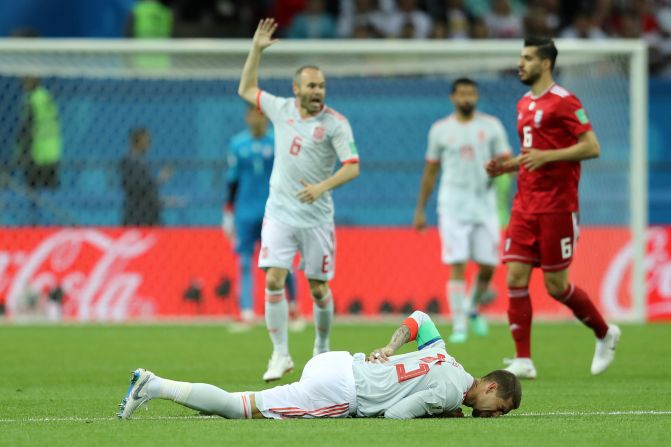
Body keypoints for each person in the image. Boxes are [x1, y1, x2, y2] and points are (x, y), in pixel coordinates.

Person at [485, 37, 621, 379]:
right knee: (515, 276)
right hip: (524, 205)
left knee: (556, 286)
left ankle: (605, 333)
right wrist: (509, 165)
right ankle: (523, 360)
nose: (521, 63)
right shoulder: (523, 104)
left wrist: (549, 156)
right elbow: (533, 154)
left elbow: (592, 147)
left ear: (545, 63)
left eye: (528, 58)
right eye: (520, 57)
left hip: (557, 207)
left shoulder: (565, 101)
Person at [237, 18, 360, 382]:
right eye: (311, 85)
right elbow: (246, 88)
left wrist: (321, 187)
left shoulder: (336, 123)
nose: (318, 90)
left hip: (317, 217)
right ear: (297, 88)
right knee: (274, 279)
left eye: (322, 85)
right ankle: (280, 355)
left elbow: (353, 167)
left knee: (318, 287)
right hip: (279, 212)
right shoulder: (281, 108)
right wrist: (256, 50)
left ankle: (321, 347)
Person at [117, 310, 522, 420]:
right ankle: (153, 385)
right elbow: (396, 414)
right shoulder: (452, 391)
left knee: (246, 403)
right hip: (342, 392)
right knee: (241, 407)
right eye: (499, 408)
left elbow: (420, 317)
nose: (495, 416)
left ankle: (152, 386)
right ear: (489, 388)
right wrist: (442, 414)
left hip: (341, 360)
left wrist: (391, 343)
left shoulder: (445, 356)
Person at [414, 78, 511, 344]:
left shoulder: (491, 126)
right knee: (457, 264)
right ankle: (459, 325)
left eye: (471, 93)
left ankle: (471, 307)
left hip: (484, 204)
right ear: (453, 97)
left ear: (477, 96)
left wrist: (500, 168)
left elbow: (507, 161)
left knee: (489, 266)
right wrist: (421, 208)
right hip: (453, 204)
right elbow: (431, 171)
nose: (467, 97)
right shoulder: (441, 130)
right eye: (462, 93)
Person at [223, 106, 301, 330]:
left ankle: (294, 307)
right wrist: (228, 213)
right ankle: (247, 312)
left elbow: (289, 176)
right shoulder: (237, 144)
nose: (258, 120)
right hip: (244, 212)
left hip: (274, 210)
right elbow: (232, 181)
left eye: (262, 115)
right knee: (245, 262)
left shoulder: (278, 143)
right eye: (254, 115)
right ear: (247, 118)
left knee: (281, 262)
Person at [16, 76, 62, 224]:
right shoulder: (47, 96)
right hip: (53, 151)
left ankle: (34, 225)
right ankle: (50, 225)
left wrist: (21, 153)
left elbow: (27, 128)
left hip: (37, 153)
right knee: (49, 192)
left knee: (32, 193)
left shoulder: (31, 99)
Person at [119, 127, 166, 226]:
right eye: (147, 140)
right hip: (138, 214)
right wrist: (159, 180)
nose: (149, 144)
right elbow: (136, 186)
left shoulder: (140, 161)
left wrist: (159, 200)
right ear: (138, 141)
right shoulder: (129, 161)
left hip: (148, 211)